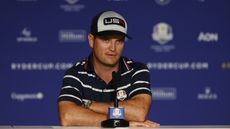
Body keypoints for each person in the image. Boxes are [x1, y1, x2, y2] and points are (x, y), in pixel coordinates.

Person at [58, 10, 160, 127]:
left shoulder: (136, 70)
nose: (113, 48)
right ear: (91, 40)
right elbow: (68, 117)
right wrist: (122, 123)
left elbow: (139, 113)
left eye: (119, 41)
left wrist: (89, 105)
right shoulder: (76, 73)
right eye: (106, 39)